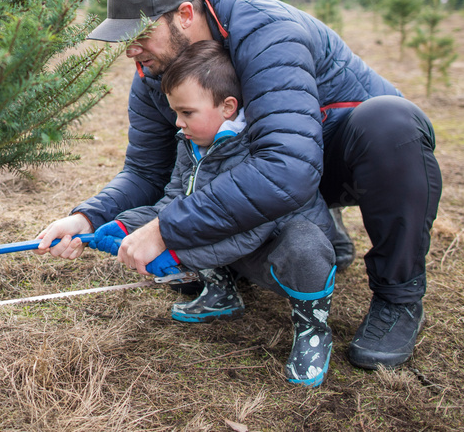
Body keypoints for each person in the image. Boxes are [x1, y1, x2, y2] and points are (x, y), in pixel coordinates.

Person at [37, 0, 441, 370]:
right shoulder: (155, 76)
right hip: (268, 171)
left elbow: (288, 167)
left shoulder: (268, 33)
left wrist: (166, 228)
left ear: (186, 14)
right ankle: (317, 240)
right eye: (126, 39)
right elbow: (146, 171)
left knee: (390, 123)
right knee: (226, 222)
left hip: (347, 156)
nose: (131, 52)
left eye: (141, 33)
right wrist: (88, 217)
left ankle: (399, 297)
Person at [91, 39, 338, 386]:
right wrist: (121, 226)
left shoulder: (255, 151)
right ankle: (222, 294)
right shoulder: (191, 145)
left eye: (187, 113)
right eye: (175, 112)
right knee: (192, 217)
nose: (178, 123)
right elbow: (173, 206)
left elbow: (245, 231)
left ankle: (313, 330)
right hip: (239, 247)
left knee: (305, 248)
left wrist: (177, 255)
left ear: (227, 107)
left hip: (275, 248)